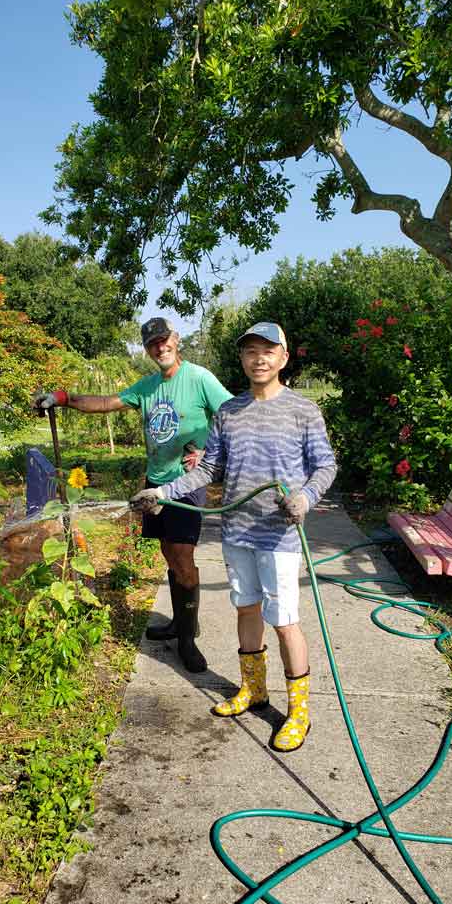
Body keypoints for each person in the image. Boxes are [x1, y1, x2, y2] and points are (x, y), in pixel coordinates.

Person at [130, 322, 337, 752]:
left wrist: (305, 497)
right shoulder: (229, 412)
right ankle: (253, 690)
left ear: (283, 358)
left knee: (283, 623)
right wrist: (162, 492)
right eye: (250, 352)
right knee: (246, 610)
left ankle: (299, 712)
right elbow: (208, 470)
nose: (258, 359)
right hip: (236, 531)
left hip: (278, 534)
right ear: (242, 360)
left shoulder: (302, 410)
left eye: (267, 351)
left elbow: (325, 466)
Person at [32, 317, 232, 673]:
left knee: (183, 557)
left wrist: (210, 453)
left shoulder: (199, 378)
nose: (160, 347)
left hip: (186, 484)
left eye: (164, 340)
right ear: (148, 348)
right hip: (155, 484)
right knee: (169, 552)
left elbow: (232, 415)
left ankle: (187, 637)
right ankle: (178, 621)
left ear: (176, 339)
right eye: (153, 343)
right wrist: (63, 399)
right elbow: (107, 402)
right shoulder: (148, 386)